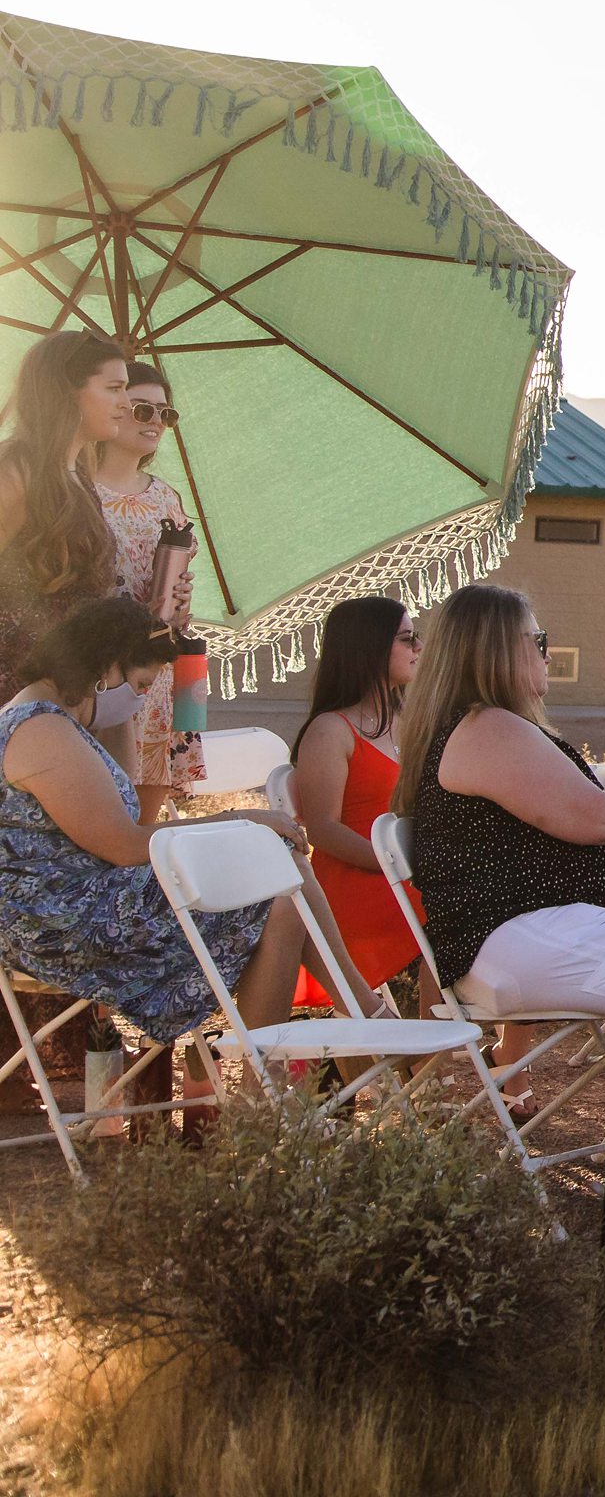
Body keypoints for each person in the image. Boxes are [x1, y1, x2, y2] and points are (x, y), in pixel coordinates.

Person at [0, 599, 368, 1073]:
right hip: (60, 922)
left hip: (80, 905)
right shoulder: (41, 728)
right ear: (104, 666)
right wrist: (239, 821)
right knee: (279, 890)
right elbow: (127, 845)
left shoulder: (52, 720)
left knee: (280, 874)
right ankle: (324, 1049)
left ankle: (294, 1075)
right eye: (139, 686)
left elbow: (129, 824)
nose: (138, 699)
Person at [399, 585, 605, 1064]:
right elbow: (601, 818)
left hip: (546, 933)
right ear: (501, 652)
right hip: (528, 939)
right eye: (538, 641)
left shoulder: (478, 728)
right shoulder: (488, 729)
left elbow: (592, 814)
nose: (546, 655)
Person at [287, 597, 430, 1010]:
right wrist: (399, 865)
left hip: (407, 880)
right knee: (458, 913)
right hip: (360, 886)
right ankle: (428, 1052)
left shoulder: (412, 722)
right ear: (368, 648)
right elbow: (324, 829)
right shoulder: (331, 730)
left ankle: (444, 1053)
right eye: (407, 639)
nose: (418, 647)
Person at [88, 362, 202, 824]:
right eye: (142, 409)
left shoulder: (167, 498)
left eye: (165, 413)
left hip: (159, 660)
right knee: (97, 810)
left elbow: (171, 586)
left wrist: (179, 595)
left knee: (145, 825)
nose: (156, 421)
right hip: (102, 661)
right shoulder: (76, 492)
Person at [0, 330, 128, 692]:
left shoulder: (80, 477)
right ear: (67, 391)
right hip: (13, 694)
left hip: (63, 690)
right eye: (114, 388)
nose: (127, 403)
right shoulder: (17, 469)